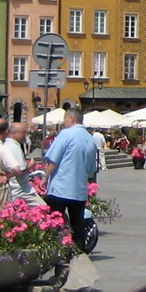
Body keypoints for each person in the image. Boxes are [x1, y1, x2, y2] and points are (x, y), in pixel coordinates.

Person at [43, 108, 95, 252]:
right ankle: (78, 253)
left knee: (55, 222)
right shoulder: (90, 139)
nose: (64, 121)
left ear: (72, 118)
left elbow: (53, 160)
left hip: (60, 187)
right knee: (77, 223)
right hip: (78, 190)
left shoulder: (66, 134)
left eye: (65, 118)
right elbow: (90, 169)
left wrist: (45, 176)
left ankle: (56, 252)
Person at [3, 121, 46, 206]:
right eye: (23, 133)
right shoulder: (15, 148)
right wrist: (31, 165)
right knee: (43, 208)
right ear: (14, 133)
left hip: (13, 189)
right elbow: (20, 171)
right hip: (22, 190)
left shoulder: (5, 145)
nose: (25, 135)